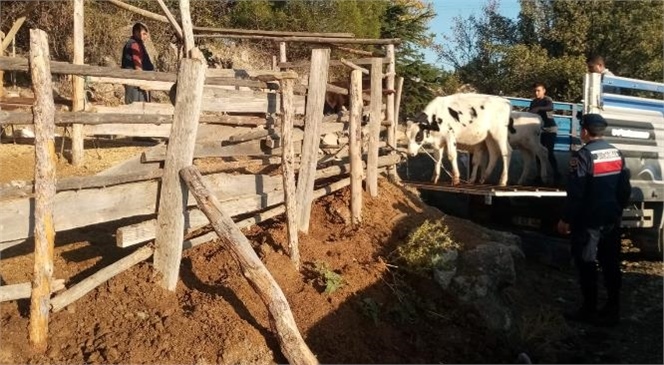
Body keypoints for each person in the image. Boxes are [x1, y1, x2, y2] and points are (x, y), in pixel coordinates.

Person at [557, 113, 631, 326]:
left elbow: (577, 192)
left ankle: (589, 309)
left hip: (588, 221)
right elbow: (624, 188)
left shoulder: (583, 156)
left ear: (586, 131)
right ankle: (613, 308)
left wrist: (566, 219)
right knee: (610, 264)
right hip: (611, 218)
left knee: (587, 263)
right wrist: (617, 210)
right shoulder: (616, 153)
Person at [528, 82, 561, 184]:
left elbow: (550, 107)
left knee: (549, 152)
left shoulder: (547, 99)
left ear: (544, 91)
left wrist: (538, 109)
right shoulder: (533, 102)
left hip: (550, 129)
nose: (536, 93)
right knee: (538, 153)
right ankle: (540, 175)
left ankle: (556, 174)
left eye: (538, 90)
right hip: (539, 130)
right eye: (535, 91)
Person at [121, 22, 154, 104]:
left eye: (145, 34)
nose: (143, 37)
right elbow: (137, 65)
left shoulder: (136, 44)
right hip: (135, 82)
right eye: (141, 33)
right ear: (135, 33)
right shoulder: (134, 44)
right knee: (137, 106)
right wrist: (143, 81)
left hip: (133, 81)